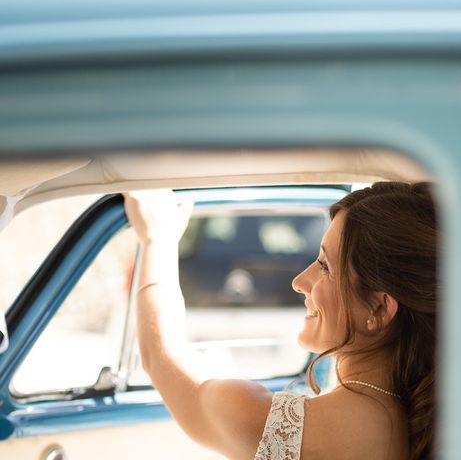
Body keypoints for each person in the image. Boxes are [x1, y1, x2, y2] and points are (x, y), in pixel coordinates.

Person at [124, 181, 438, 460]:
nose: (300, 281)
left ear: (379, 310)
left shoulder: (275, 426)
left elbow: (160, 356)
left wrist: (157, 240)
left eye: (325, 266)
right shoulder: (426, 421)